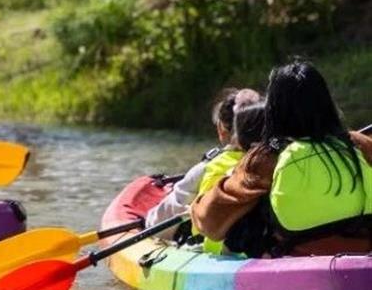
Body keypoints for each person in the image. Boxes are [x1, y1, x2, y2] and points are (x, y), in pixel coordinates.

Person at [192, 59, 372, 257]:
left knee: (244, 219)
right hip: (363, 252)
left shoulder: (266, 158)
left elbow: (210, 223)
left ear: (273, 109)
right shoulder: (358, 143)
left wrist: (196, 208)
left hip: (294, 260)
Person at [145, 87, 261, 229]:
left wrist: (146, 219)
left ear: (221, 129)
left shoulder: (205, 169)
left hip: (211, 247)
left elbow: (156, 223)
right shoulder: (276, 164)